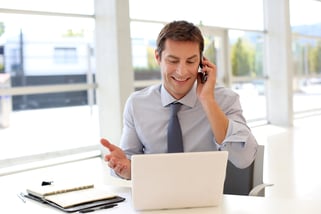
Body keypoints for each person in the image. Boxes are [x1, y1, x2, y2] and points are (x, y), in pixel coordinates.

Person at [100, 20, 258, 180]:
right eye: (173, 61)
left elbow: (244, 159)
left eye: (190, 61)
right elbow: (129, 163)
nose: (182, 72)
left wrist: (208, 101)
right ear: (158, 57)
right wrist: (125, 168)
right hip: (155, 199)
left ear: (202, 62)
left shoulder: (225, 100)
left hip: (208, 200)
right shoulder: (137, 104)